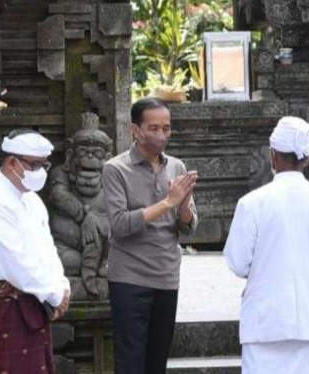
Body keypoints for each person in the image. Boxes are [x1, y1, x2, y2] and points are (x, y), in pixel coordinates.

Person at [223, 116, 309, 374]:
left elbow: (237, 262)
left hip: (263, 321)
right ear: (307, 158)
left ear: (273, 155)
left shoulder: (251, 203)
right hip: (307, 321)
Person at [102, 97, 199, 374]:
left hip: (167, 275)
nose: (161, 135)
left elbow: (189, 226)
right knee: (130, 361)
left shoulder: (177, 167)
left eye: (166, 128)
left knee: (157, 361)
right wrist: (167, 202)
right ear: (135, 130)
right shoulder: (115, 169)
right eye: (153, 128)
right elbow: (119, 224)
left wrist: (183, 204)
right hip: (129, 277)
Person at [0, 130, 70, 374]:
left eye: (44, 165)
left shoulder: (31, 200)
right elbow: (14, 262)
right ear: (12, 162)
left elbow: (46, 247)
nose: (40, 172)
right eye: (34, 165)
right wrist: (53, 293)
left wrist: (60, 284)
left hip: (34, 299)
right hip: (3, 304)